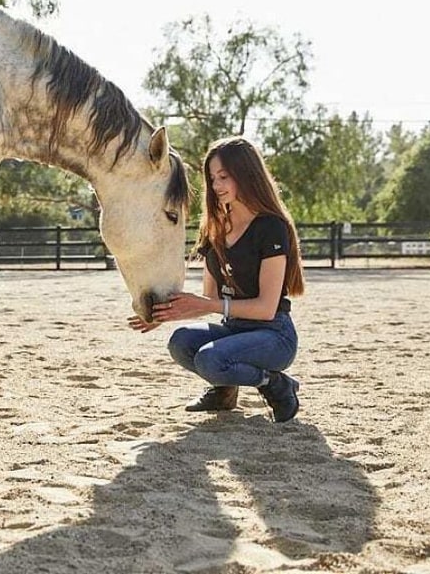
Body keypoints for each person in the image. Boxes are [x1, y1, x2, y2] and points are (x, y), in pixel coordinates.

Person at [128, 137, 305, 423]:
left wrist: (209, 305)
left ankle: (274, 383)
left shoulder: (271, 228)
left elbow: (265, 309)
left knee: (211, 359)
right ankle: (224, 393)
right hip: (233, 330)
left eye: (224, 176)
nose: (216, 185)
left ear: (246, 174)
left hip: (273, 335)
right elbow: (209, 301)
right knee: (181, 341)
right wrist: (166, 313)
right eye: (212, 178)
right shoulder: (214, 228)